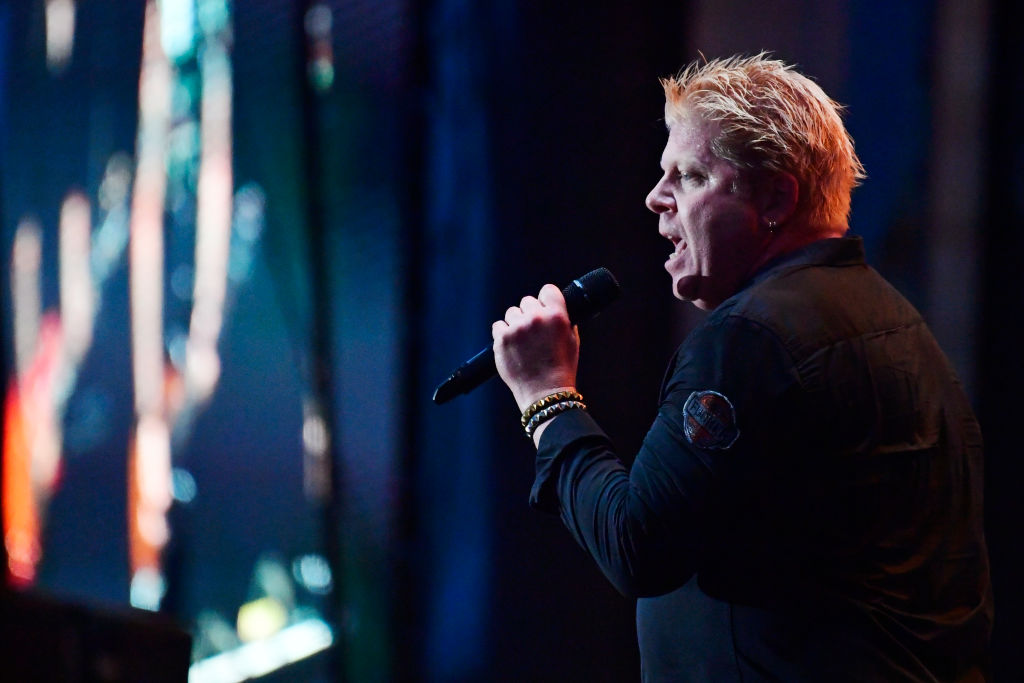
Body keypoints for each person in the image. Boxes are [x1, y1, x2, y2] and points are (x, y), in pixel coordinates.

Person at [491, 54, 993, 682]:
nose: (655, 198)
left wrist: (547, 396)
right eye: (662, 173)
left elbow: (637, 546)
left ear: (777, 198)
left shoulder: (751, 337)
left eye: (691, 176)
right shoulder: (899, 326)